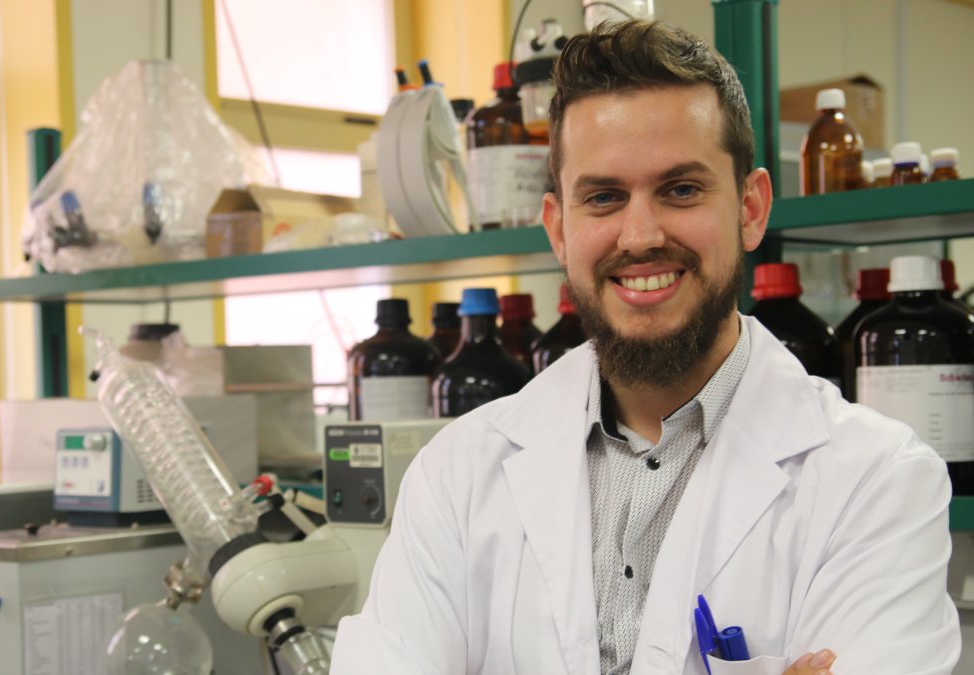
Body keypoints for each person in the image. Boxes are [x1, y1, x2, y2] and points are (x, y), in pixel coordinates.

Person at [330, 20, 960, 675]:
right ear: (558, 229)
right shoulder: (458, 474)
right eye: (603, 197)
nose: (639, 235)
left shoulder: (877, 481)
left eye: (680, 189)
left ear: (750, 208)